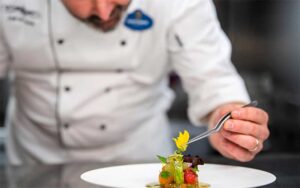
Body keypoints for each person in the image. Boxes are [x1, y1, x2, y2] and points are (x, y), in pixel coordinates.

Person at [0, 0, 269, 165]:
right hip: (35, 167)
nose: (104, 13)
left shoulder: (180, 3)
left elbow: (213, 78)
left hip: (140, 164)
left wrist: (231, 120)